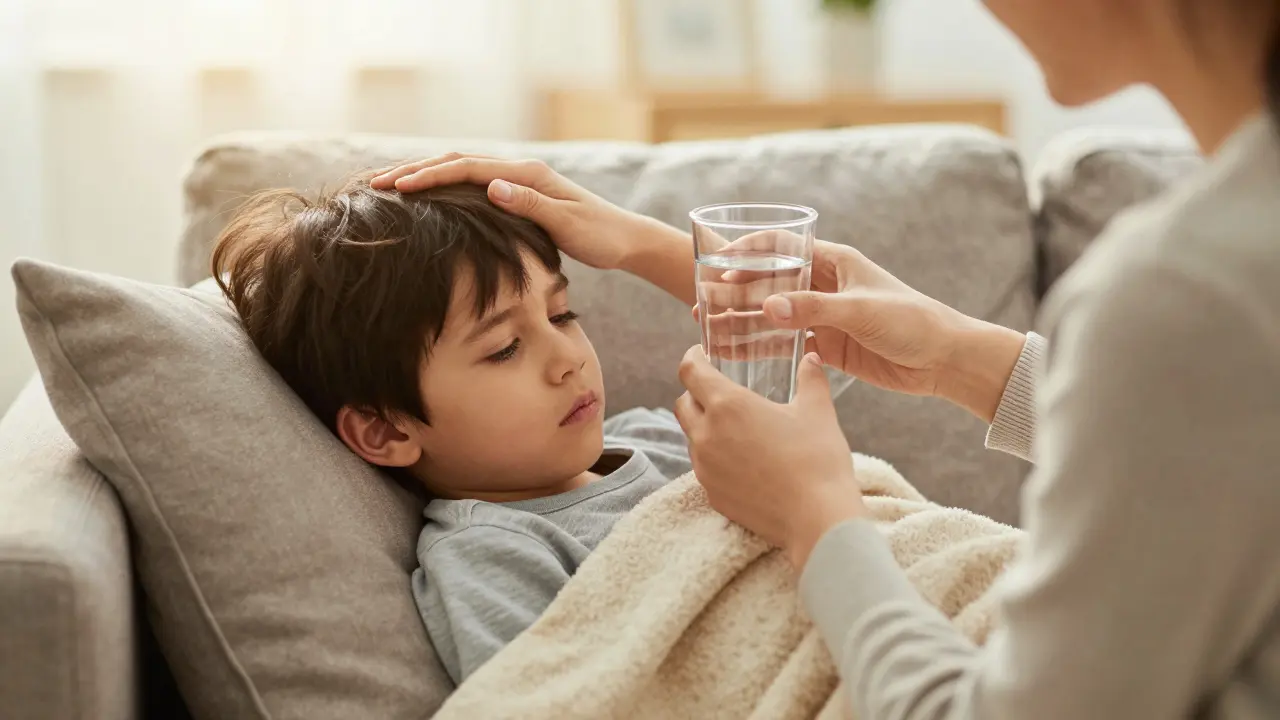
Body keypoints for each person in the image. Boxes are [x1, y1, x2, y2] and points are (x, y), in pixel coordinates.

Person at [371, 1, 1280, 715]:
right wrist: (956, 355)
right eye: (504, 345)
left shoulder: (1187, 295)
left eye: (564, 315)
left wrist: (815, 514)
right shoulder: (1218, 281)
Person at [210, 180, 699, 686]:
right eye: (505, 348)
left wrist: (636, 240)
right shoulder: (494, 557)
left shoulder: (670, 434)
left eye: (561, 315)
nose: (569, 358)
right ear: (385, 431)